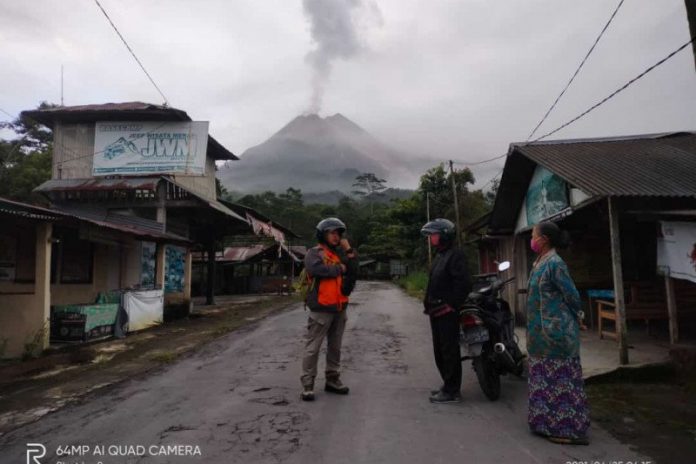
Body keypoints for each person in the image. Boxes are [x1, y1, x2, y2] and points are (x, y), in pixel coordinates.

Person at [526, 221, 590, 445]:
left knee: (560, 381)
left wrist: (579, 317)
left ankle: (567, 430)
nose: (531, 239)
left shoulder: (555, 263)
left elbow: (571, 294)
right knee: (543, 379)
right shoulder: (540, 261)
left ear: (544, 239)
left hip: (556, 333)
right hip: (540, 336)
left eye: (534, 235)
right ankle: (544, 423)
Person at [300, 217, 358, 401]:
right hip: (321, 309)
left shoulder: (338, 255)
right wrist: (339, 269)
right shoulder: (314, 253)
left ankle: (333, 380)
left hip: (339, 308)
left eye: (338, 233)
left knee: (335, 347)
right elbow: (315, 270)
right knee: (313, 348)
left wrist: (348, 250)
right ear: (322, 234)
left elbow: (353, 271)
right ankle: (308, 384)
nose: (336, 237)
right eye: (332, 233)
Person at [420, 218, 472, 403]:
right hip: (435, 310)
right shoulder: (440, 255)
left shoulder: (455, 255)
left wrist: (452, 305)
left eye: (433, 235)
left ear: (443, 236)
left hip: (447, 312)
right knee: (439, 351)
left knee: (449, 351)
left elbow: (463, 283)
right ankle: (447, 384)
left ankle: (452, 391)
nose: (431, 238)